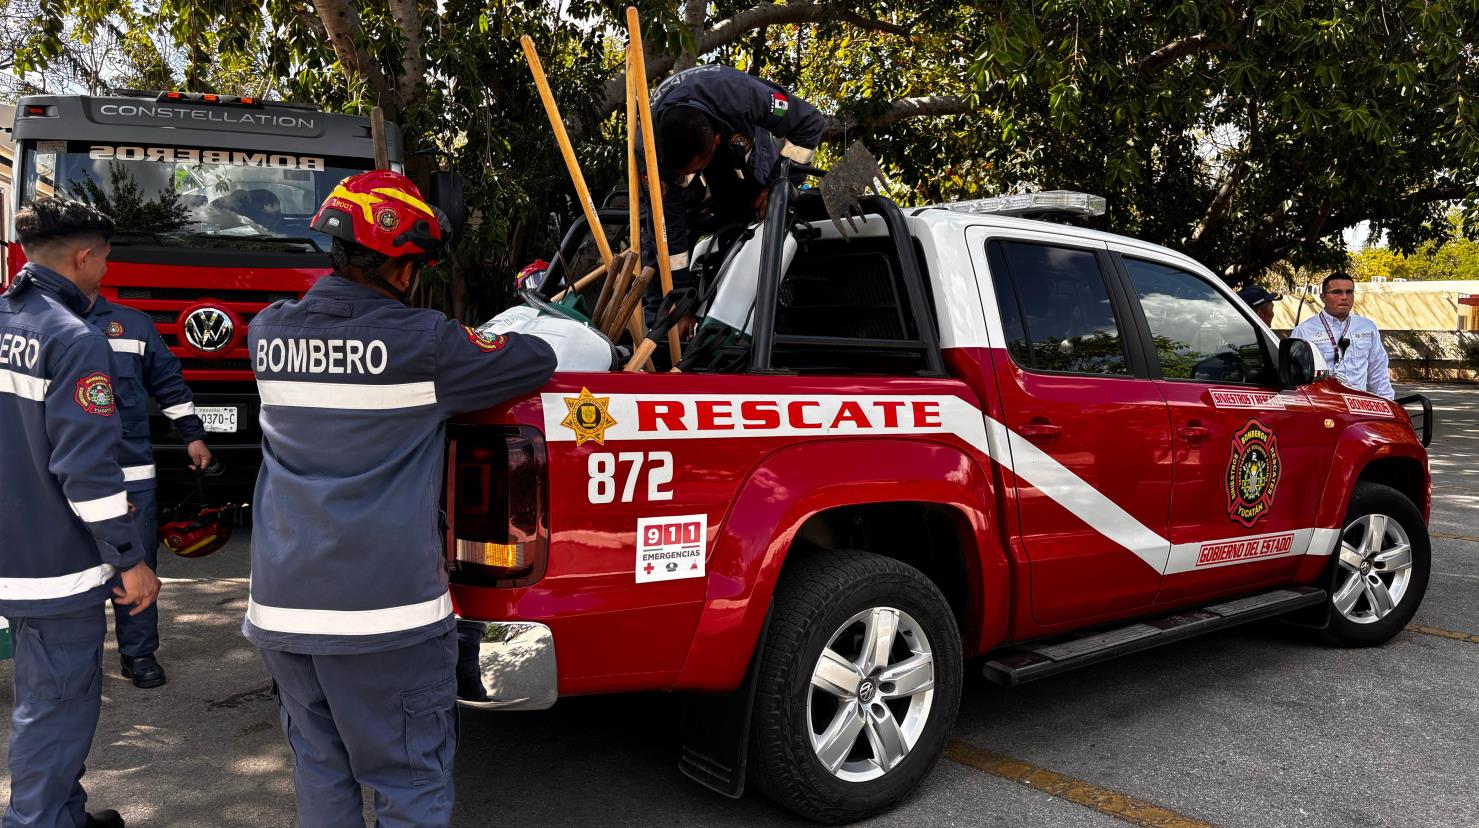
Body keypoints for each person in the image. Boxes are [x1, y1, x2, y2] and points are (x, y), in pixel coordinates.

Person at [243, 170, 557, 827]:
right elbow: (532, 359)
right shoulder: (425, 345)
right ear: (400, 264)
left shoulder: (268, 334)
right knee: (408, 785)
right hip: (384, 616)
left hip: (282, 609)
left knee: (322, 773)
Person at [1, 197, 161, 828]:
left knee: (48, 704)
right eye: (104, 261)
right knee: (59, 705)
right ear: (84, 257)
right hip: (53, 566)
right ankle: (37, 822)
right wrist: (129, 560)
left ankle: (63, 812)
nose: (104, 275)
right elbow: (87, 473)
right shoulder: (74, 340)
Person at [84, 292, 213, 688]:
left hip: (130, 470)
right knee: (77, 570)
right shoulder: (41, 321)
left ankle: (138, 654)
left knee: (136, 564)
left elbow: (168, 383)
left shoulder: (134, 324)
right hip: (68, 472)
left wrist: (193, 436)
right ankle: (78, 660)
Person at [639, 65, 825, 328]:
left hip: (739, 142)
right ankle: (663, 334)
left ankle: (746, 322)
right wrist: (679, 303)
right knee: (657, 240)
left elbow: (810, 122)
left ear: (715, 142)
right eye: (684, 175)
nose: (692, 177)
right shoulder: (647, 149)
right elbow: (670, 234)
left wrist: (778, 187)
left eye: (695, 170)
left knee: (755, 217)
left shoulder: (743, 96)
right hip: (673, 168)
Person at [1291, 273, 1395, 399]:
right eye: (1337, 292)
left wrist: (1388, 403)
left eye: (1349, 292)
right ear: (1323, 297)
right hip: (1323, 405)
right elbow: (1295, 378)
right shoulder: (1304, 331)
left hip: (1357, 405)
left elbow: (1378, 371)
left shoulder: (1367, 327)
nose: (1344, 297)